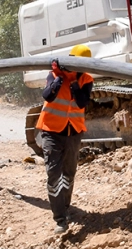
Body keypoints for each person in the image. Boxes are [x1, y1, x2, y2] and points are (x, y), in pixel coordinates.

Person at [38, 45, 93, 229]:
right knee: (53, 173)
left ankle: (66, 208)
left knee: (68, 174)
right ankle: (60, 219)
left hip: (73, 132)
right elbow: (47, 95)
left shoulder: (86, 79)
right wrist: (59, 80)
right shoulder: (54, 74)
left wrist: (75, 84)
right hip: (52, 130)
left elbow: (82, 102)